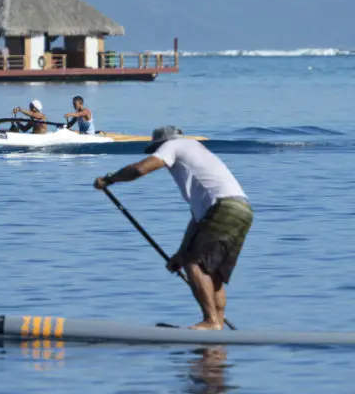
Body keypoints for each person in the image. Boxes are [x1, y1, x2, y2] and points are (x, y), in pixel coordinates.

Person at [92, 125, 253, 331]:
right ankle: (217, 327)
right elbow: (198, 219)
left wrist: (109, 179)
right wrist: (180, 253)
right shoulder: (196, 151)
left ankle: (211, 322)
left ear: (161, 144)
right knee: (213, 272)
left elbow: (140, 169)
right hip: (242, 209)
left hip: (222, 207)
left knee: (195, 264)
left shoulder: (173, 145)